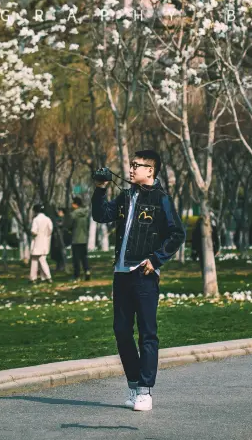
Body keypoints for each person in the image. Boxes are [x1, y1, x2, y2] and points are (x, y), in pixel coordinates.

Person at [92, 149, 185, 413]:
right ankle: (134, 385)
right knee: (121, 330)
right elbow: (101, 215)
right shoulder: (126, 195)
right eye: (131, 165)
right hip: (121, 274)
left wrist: (156, 260)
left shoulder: (161, 199)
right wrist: (100, 189)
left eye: (137, 165)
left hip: (143, 274)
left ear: (150, 171)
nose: (131, 169)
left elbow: (177, 233)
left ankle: (145, 390)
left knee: (147, 333)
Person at [68, 196, 91, 281]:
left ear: (75, 204)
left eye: (72, 203)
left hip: (75, 239)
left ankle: (77, 276)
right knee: (84, 257)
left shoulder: (73, 214)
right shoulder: (86, 214)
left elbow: (70, 225)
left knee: (76, 259)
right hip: (84, 239)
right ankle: (87, 271)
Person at [29, 203, 53, 284]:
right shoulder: (48, 219)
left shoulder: (36, 220)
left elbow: (34, 231)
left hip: (37, 242)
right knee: (42, 258)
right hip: (45, 241)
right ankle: (43, 277)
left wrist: (33, 234)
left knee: (36, 260)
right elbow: (50, 229)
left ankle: (36, 277)